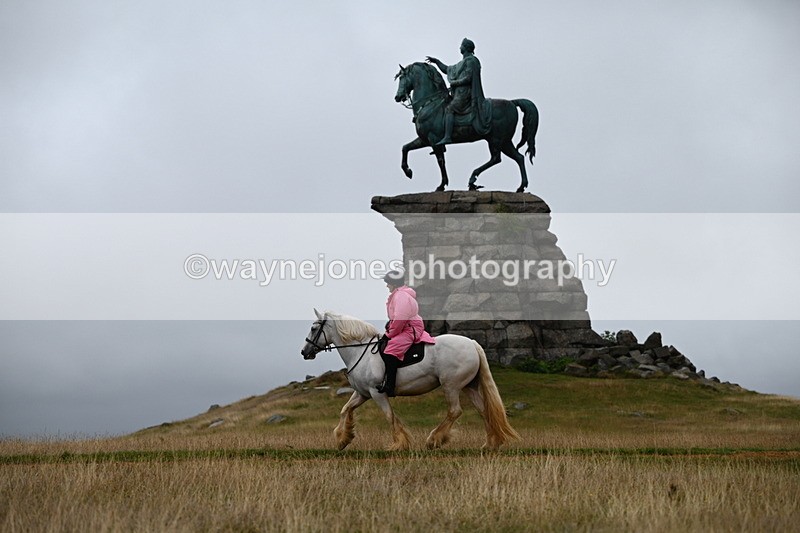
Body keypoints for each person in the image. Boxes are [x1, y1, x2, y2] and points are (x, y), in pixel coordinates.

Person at [377, 270, 436, 396]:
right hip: (405, 327)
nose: (387, 285)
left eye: (388, 283)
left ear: (393, 283)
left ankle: (390, 386)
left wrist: (389, 334)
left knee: (390, 351)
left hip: (409, 329)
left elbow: (400, 318)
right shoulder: (400, 295)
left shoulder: (401, 296)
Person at [426, 37, 491, 145]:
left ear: (465, 48)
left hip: (466, 94)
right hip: (459, 93)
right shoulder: (462, 63)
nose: (459, 47)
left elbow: (469, 78)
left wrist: (455, 83)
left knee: (450, 109)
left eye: (461, 45)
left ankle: (447, 137)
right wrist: (437, 62)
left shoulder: (472, 61)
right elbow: (447, 70)